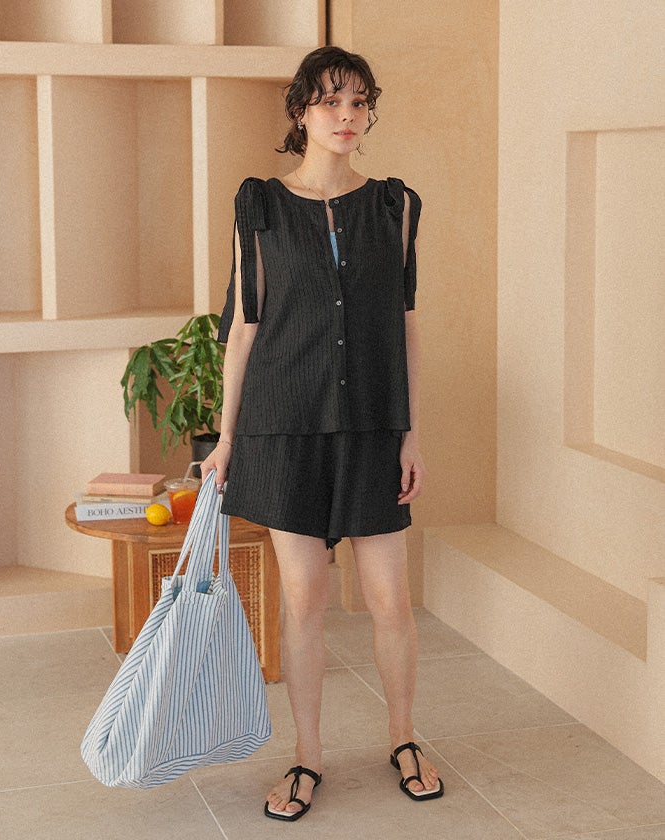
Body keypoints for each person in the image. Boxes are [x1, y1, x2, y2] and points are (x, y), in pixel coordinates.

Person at [201, 45, 443, 821]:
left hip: (373, 427)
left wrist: (410, 433)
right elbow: (244, 326)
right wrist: (227, 439)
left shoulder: (395, 206)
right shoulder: (260, 205)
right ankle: (307, 756)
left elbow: (405, 325)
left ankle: (403, 739)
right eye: (331, 100)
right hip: (285, 427)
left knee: (390, 600)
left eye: (359, 101)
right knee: (304, 600)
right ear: (301, 110)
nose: (347, 115)